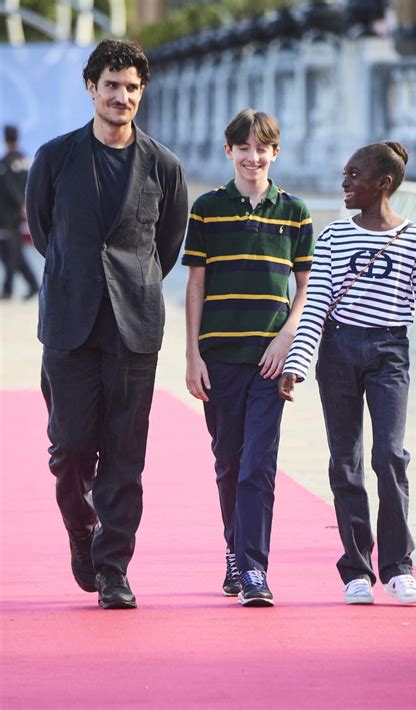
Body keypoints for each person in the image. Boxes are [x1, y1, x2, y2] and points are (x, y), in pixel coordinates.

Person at [25, 40, 188, 609]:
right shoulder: (54, 157)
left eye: (132, 88)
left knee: (125, 454)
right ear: (91, 88)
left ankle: (114, 568)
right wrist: (81, 276)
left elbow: (166, 245)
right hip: (69, 325)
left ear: (142, 93)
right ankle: (80, 526)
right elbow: (45, 233)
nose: (122, 97)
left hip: (134, 327)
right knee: (69, 449)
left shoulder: (164, 166)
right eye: (112, 85)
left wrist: (128, 284)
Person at [279, 141, 416, 605]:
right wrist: (297, 364)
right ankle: (356, 569)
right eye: (344, 174)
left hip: (389, 353)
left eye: (354, 175)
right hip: (337, 350)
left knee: (390, 456)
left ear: (384, 183)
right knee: (345, 460)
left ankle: (398, 567)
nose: (344, 183)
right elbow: (316, 303)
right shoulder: (336, 236)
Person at [183, 109, 314, 606]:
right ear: (229, 152)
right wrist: (192, 354)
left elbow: (305, 288)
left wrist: (288, 339)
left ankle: (254, 568)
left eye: (262, 149)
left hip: (270, 358)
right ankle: (234, 552)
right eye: (243, 148)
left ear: (274, 153)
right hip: (218, 356)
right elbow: (195, 286)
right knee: (228, 460)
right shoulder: (207, 209)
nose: (252, 157)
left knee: (259, 462)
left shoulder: (295, 212)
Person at [0, 125, 39, 299]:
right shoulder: (27, 160)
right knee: (15, 249)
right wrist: (27, 204)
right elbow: (32, 183)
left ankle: (8, 289)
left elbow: (7, 188)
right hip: (22, 211)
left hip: (8, 214)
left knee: (10, 250)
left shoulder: (5, 163)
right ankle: (32, 285)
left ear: (5, 138)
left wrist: (20, 204)